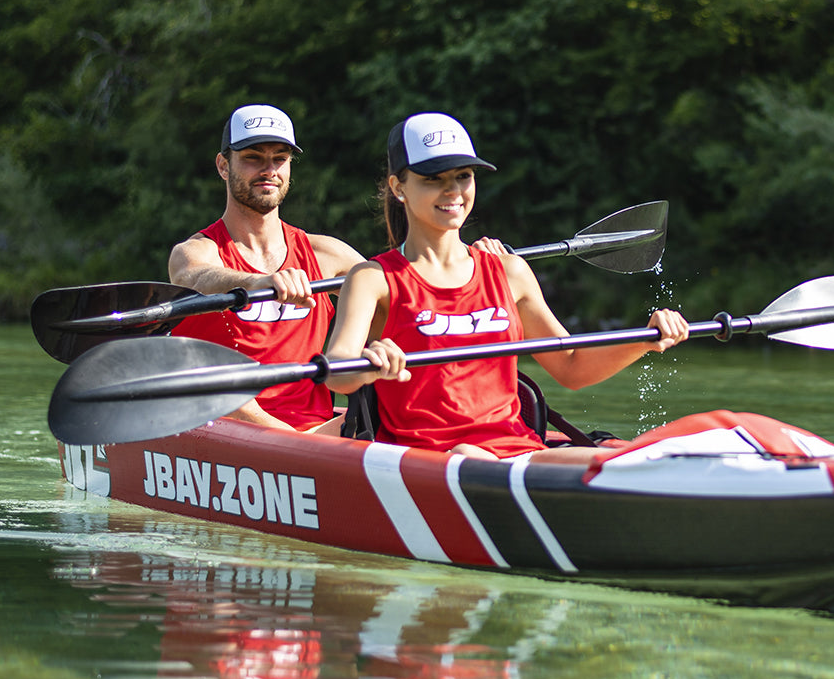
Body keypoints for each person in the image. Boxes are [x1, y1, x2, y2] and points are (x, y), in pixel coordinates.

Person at [324, 112, 688, 462]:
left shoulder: (510, 271)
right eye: (433, 178)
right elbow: (338, 371)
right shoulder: (372, 278)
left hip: (515, 449)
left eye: (463, 176)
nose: (453, 190)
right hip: (429, 462)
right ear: (398, 187)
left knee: (628, 462)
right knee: (468, 454)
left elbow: (572, 367)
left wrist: (644, 339)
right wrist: (370, 366)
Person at [169, 103, 365, 432]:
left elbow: (404, 290)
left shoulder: (328, 255)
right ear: (223, 165)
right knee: (230, 392)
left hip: (316, 433)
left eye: (280, 158)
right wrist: (258, 282)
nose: (269, 169)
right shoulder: (196, 252)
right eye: (253, 157)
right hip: (229, 427)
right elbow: (196, 276)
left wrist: (466, 259)